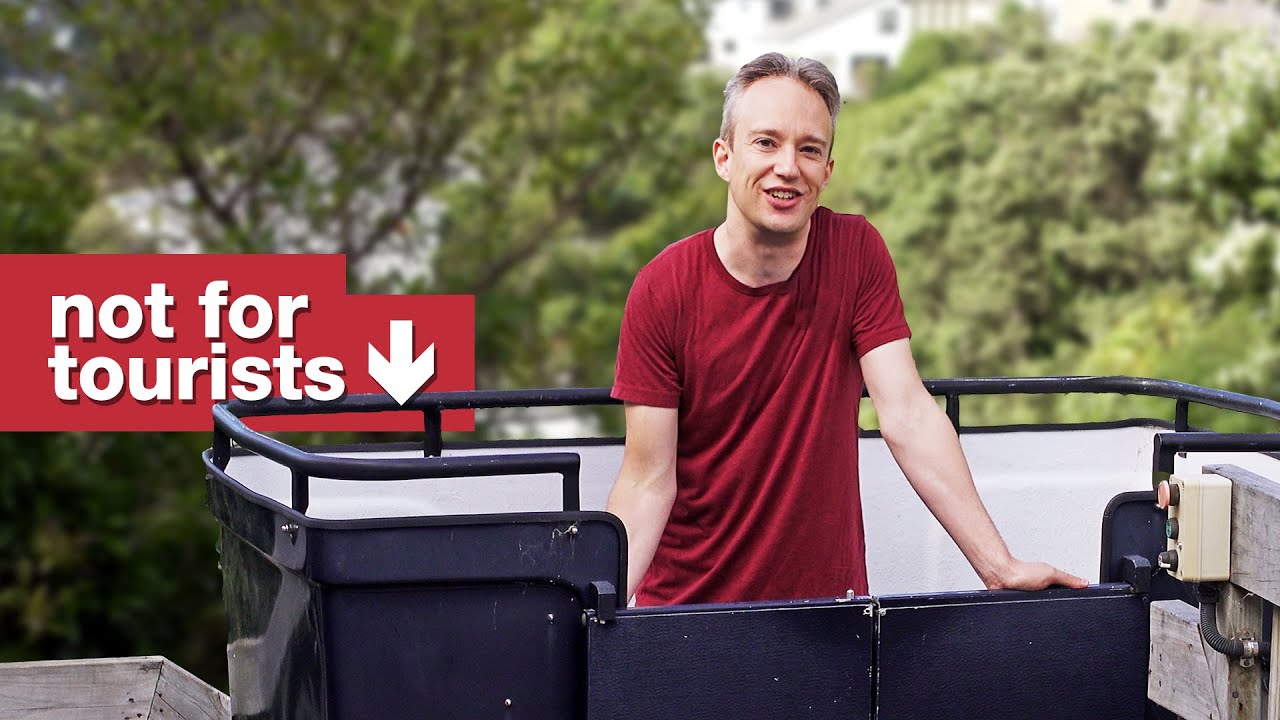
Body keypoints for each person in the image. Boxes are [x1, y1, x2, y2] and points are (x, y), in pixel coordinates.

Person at [605, 52, 1087, 607]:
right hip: (689, 618)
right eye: (766, 143)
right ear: (724, 156)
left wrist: (999, 567)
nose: (788, 166)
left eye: (809, 149)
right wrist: (598, 618)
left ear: (827, 171)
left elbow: (907, 414)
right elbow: (647, 480)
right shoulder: (663, 288)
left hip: (830, 617)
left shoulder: (856, 254)